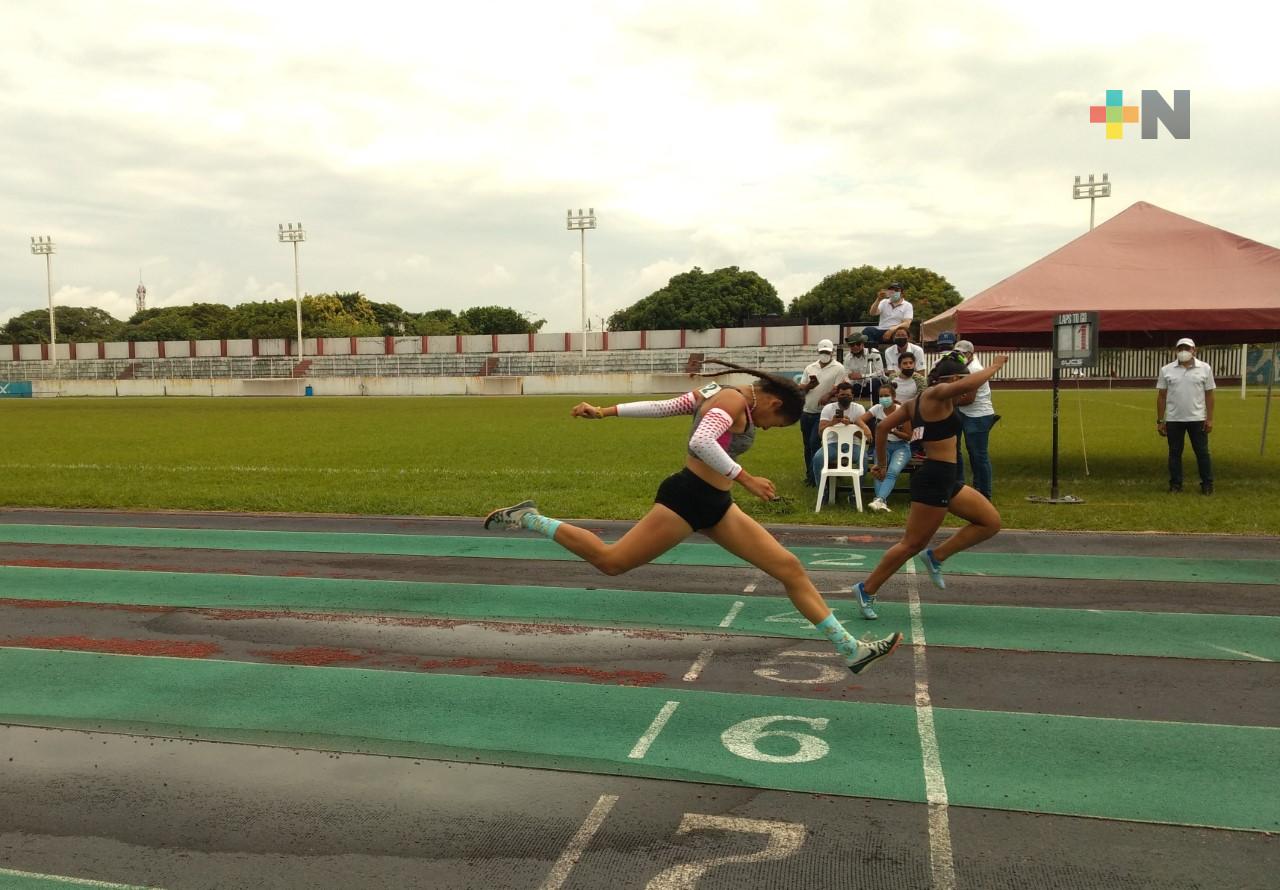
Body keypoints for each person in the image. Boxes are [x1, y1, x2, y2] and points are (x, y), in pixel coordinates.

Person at [484, 358, 902, 674]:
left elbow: (666, 406)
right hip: (687, 499)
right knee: (610, 562)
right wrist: (747, 478)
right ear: (773, 402)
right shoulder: (733, 403)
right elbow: (703, 441)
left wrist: (606, 411)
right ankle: (531, 518)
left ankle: (851, 650)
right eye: (777, 422)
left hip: (716, 506)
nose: (771, 429)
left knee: (789, 568)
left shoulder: (718, 393)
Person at [852, 351, 1009, 619]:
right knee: (911, 544)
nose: (966, 392)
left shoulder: (913, 403)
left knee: (990, 522)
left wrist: (882, 465)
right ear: (953, 380)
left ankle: (936, 556)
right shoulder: (938, 393)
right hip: (935, 477)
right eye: (961, 382)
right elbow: (968, 386)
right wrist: (995, 365)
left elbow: (882, 428)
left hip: (947, 478)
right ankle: (866, 589)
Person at [1157, 337, 1215, 494]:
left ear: (1194, 350)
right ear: (1176, 351)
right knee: (1174, 453)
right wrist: (1160, 420)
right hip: (1174, 419)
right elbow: (1162, 395)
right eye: (1180, 349)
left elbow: (1209, 394)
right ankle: (1176, 484)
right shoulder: (1166, 370)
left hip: (1197, 419)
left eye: (1187, 349)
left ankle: (1207, 484)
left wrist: (1209, 418)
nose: (1184, 352)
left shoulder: (1205, 368)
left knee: (1202, 453)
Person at [953, 340, 999, 500]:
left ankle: (983, 492)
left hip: (978, 414)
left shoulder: (974, 369)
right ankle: (959, 486)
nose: (960, 356)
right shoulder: (965, 367)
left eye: (963, 354)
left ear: (971, 354)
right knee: (955, 449)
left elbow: (969, 399)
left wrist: (947, 400)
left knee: (978, 454)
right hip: (964, 412)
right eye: (957, 353)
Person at [800, 339, 846, 486]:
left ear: (832, 352)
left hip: (824, 413)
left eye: (827, 352)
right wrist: (809, 385)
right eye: (822, 352)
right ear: (818, 352)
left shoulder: (838, 368)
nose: (824, 354)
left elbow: (838, 388)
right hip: (807, 411)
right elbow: (802, 387)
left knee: (815, 443)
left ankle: (817, 477)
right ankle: (810, 475)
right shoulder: (810, 368)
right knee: (807, 445)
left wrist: (828, 395)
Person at [809, 381, 872, 487]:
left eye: (848, 395)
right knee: (818, 458)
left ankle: (855, 493)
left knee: (864, 459)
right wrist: (832, 423)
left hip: (853, 444)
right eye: (842, 395)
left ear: (852, 396)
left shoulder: (859, 409)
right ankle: (823, 491)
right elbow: (820, 433)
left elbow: (864, 438)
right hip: (832, 444)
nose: (845, 397)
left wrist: (851, 425)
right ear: (837, 395)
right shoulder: (828, 408)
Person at [865, 384, 915, 513]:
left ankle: (879, 499)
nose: (883, 398)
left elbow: (909, 436)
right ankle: (881, 502)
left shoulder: (902, 411)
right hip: (882, 446)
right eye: (881, 396)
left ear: (893, 396)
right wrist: (866, 429)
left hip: (901, 447)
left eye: (886, 396)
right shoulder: (877, 408)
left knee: (892, 471)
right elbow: (860, 419)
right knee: (879, 470)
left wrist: (893, 431)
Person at [842, 335, 885, 400]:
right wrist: (847, 382)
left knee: (874, 383)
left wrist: (862, 376)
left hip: (873, 383)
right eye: (852, 345)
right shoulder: (847, 358)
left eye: (858, 344)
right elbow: (847, 375)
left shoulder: (873, 352)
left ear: (862, 344)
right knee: (846, 387)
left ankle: (876, 405)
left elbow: (880, 373)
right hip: (857, 385)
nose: (855, 346)